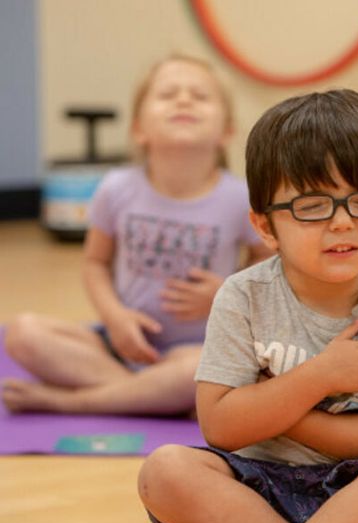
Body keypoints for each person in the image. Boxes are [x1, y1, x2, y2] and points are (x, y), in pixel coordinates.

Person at [137, 89, 358, 523]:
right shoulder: (243, 296)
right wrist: (321, 376)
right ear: (265, 227)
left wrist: (286, 413)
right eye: (312, 206)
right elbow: (220, 425)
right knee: (163, 471)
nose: (342, 223)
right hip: (255, 490)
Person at [1, 54, 271, 416]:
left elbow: (266, 265)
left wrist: (225, 293)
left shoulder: (239, 198)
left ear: (226, 132)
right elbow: (95, 264)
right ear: (138, 128)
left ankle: (71, 401)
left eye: (200, 96)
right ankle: (153, 397)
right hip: (118, 346)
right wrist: (115, 319)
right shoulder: (116, 189)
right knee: (22, 332)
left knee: (199, 371)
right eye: (167, 94)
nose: (184, 100)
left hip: (196, 349)